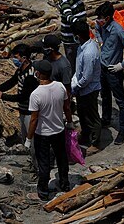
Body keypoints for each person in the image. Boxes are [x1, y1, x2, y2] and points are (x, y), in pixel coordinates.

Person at [27, 60, 73, 201]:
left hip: (43, 134)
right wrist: (70, 122)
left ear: (38, 73)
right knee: (61, 158)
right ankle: (65, 183)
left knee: (44, 163)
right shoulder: (60, 87)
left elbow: (34, 119)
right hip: (59, 130)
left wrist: (29, 139)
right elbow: (66, 107)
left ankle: (43, 190)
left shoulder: (36, 94)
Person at [95, 2, 124, 145]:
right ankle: (106, 119)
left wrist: (122, 65)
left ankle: (123, 129)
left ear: (107, 18)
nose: (98, 20)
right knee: (105, 95)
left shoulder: (118, 30)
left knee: (120, 101)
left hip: (114, 71)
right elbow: (96, 30)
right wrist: (100, 41)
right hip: (103, 68)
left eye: (100, 18)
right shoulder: (101, 25)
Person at [0, 44, 39, 143]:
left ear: (24, 58)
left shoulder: (30, 75)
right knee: (26, 138)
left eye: (16, 57)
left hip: (30, 112)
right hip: (23, 110)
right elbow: (11, 82)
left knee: (32, 141)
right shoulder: (20, 70)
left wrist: (3, 96)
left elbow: (22, 97)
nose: (14, 60)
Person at [70, 21, 101, 156]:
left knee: (92, 116)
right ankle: (86, 134)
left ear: (78, 35)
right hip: (82, 88)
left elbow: (86, 78)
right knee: (82, 113)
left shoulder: (89, 52)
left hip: (89, 89)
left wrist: (75, 87)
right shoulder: (83, 46)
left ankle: (95, 143)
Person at [58, 0, 86, 73]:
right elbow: (69, 17)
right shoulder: (66, 2)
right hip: (70, 38)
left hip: (79, 35)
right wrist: (80, 25)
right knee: (73, 62)